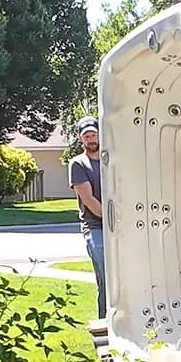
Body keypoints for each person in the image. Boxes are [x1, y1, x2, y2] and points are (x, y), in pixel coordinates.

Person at [68, 117, 108, 329]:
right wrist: (112, 221)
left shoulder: (112, 160)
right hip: (95, 227)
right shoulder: (78, 164)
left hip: (119, 227)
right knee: (106, 279)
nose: (91, 139)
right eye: (87, 136)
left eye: (93, 134)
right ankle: (105, 325)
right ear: (80, 138)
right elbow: (89, 200)